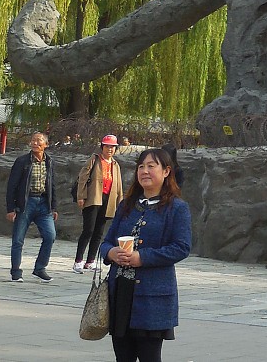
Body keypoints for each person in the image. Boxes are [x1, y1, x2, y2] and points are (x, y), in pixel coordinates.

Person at [101, 146, 192, 362]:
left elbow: (181, 247)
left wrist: (143, 257)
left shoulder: (177, 208)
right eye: (141, 166)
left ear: (166, 171)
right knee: (123, 357)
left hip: (152, 297)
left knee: (150, 357)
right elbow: (106, 242)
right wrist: (112, 253)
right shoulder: (127, 205)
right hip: (121, 292)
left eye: (152, 166)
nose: (145, 171)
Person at [5, 131, 59, 282]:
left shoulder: (49, 162)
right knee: (18, 240)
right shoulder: (22, 161)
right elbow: (12, 186)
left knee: (50, 236)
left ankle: (40, 268)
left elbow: (52, 185)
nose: (35, 143)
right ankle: (16, 271)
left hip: (43, 204)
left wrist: (53, 207)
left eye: (39, 141)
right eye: (33, 141)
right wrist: (10, 208)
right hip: (26, 204)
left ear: (46, 145)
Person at [73, 134, 124, 273]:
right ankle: (78, 260)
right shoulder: (94, 160)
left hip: (108, 201)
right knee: (88, 230)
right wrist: (81, 196)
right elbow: (83, 178)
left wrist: (120, 203)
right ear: (102, 147)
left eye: (113, 147)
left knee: (99, 232)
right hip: (93, 198)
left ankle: (90, 261)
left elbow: (119, 186)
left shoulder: (115, 165)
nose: (110, 149)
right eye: (107, 146)